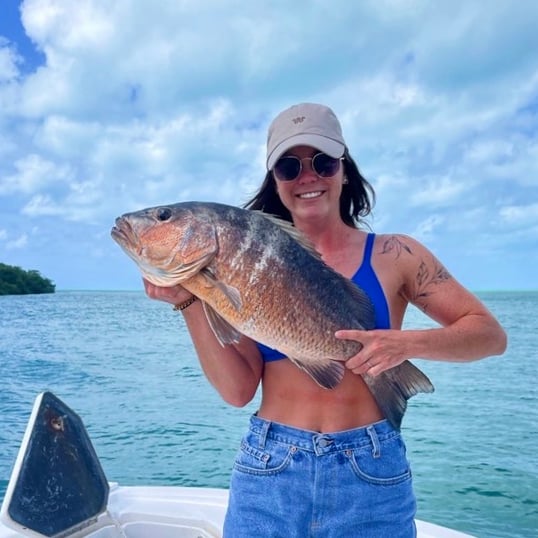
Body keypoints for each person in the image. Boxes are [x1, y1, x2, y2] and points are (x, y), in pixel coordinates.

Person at [144, 103, 507, 537]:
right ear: (275, 181)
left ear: (344, 170)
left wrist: (405, 345)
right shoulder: (239, 263)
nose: (307, 176)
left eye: (322, 161)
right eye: (288, 166)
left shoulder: (397, 255)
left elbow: (488, 334)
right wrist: (189, 302)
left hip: (371, 470)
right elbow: (238, 390)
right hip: (270, 467)